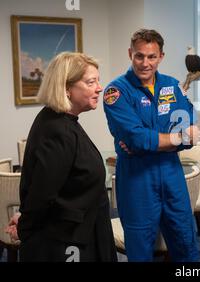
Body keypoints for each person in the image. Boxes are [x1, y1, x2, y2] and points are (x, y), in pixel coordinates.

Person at [5, 52, 117, 262]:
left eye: (98, 81)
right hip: (67, 243)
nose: (100, 88)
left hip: (79, 232)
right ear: (66, 88)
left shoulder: (62, 121)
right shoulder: (58, 130)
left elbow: (56, 188)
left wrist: (24, 217)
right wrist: (26, 227)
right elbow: (42, 194)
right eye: (91, 82)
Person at [103, 29, 200, 262]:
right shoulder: (116, 91)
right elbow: (137, 138)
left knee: (185, 243)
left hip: (172, 175)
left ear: (161, 56)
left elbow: (190, 133)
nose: (145, 63)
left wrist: (151, 142)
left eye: (152, 57)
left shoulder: (171, 86)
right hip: (137, 180)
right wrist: (175, 138)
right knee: (140, 250)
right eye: (139, 56)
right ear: (130, 54)